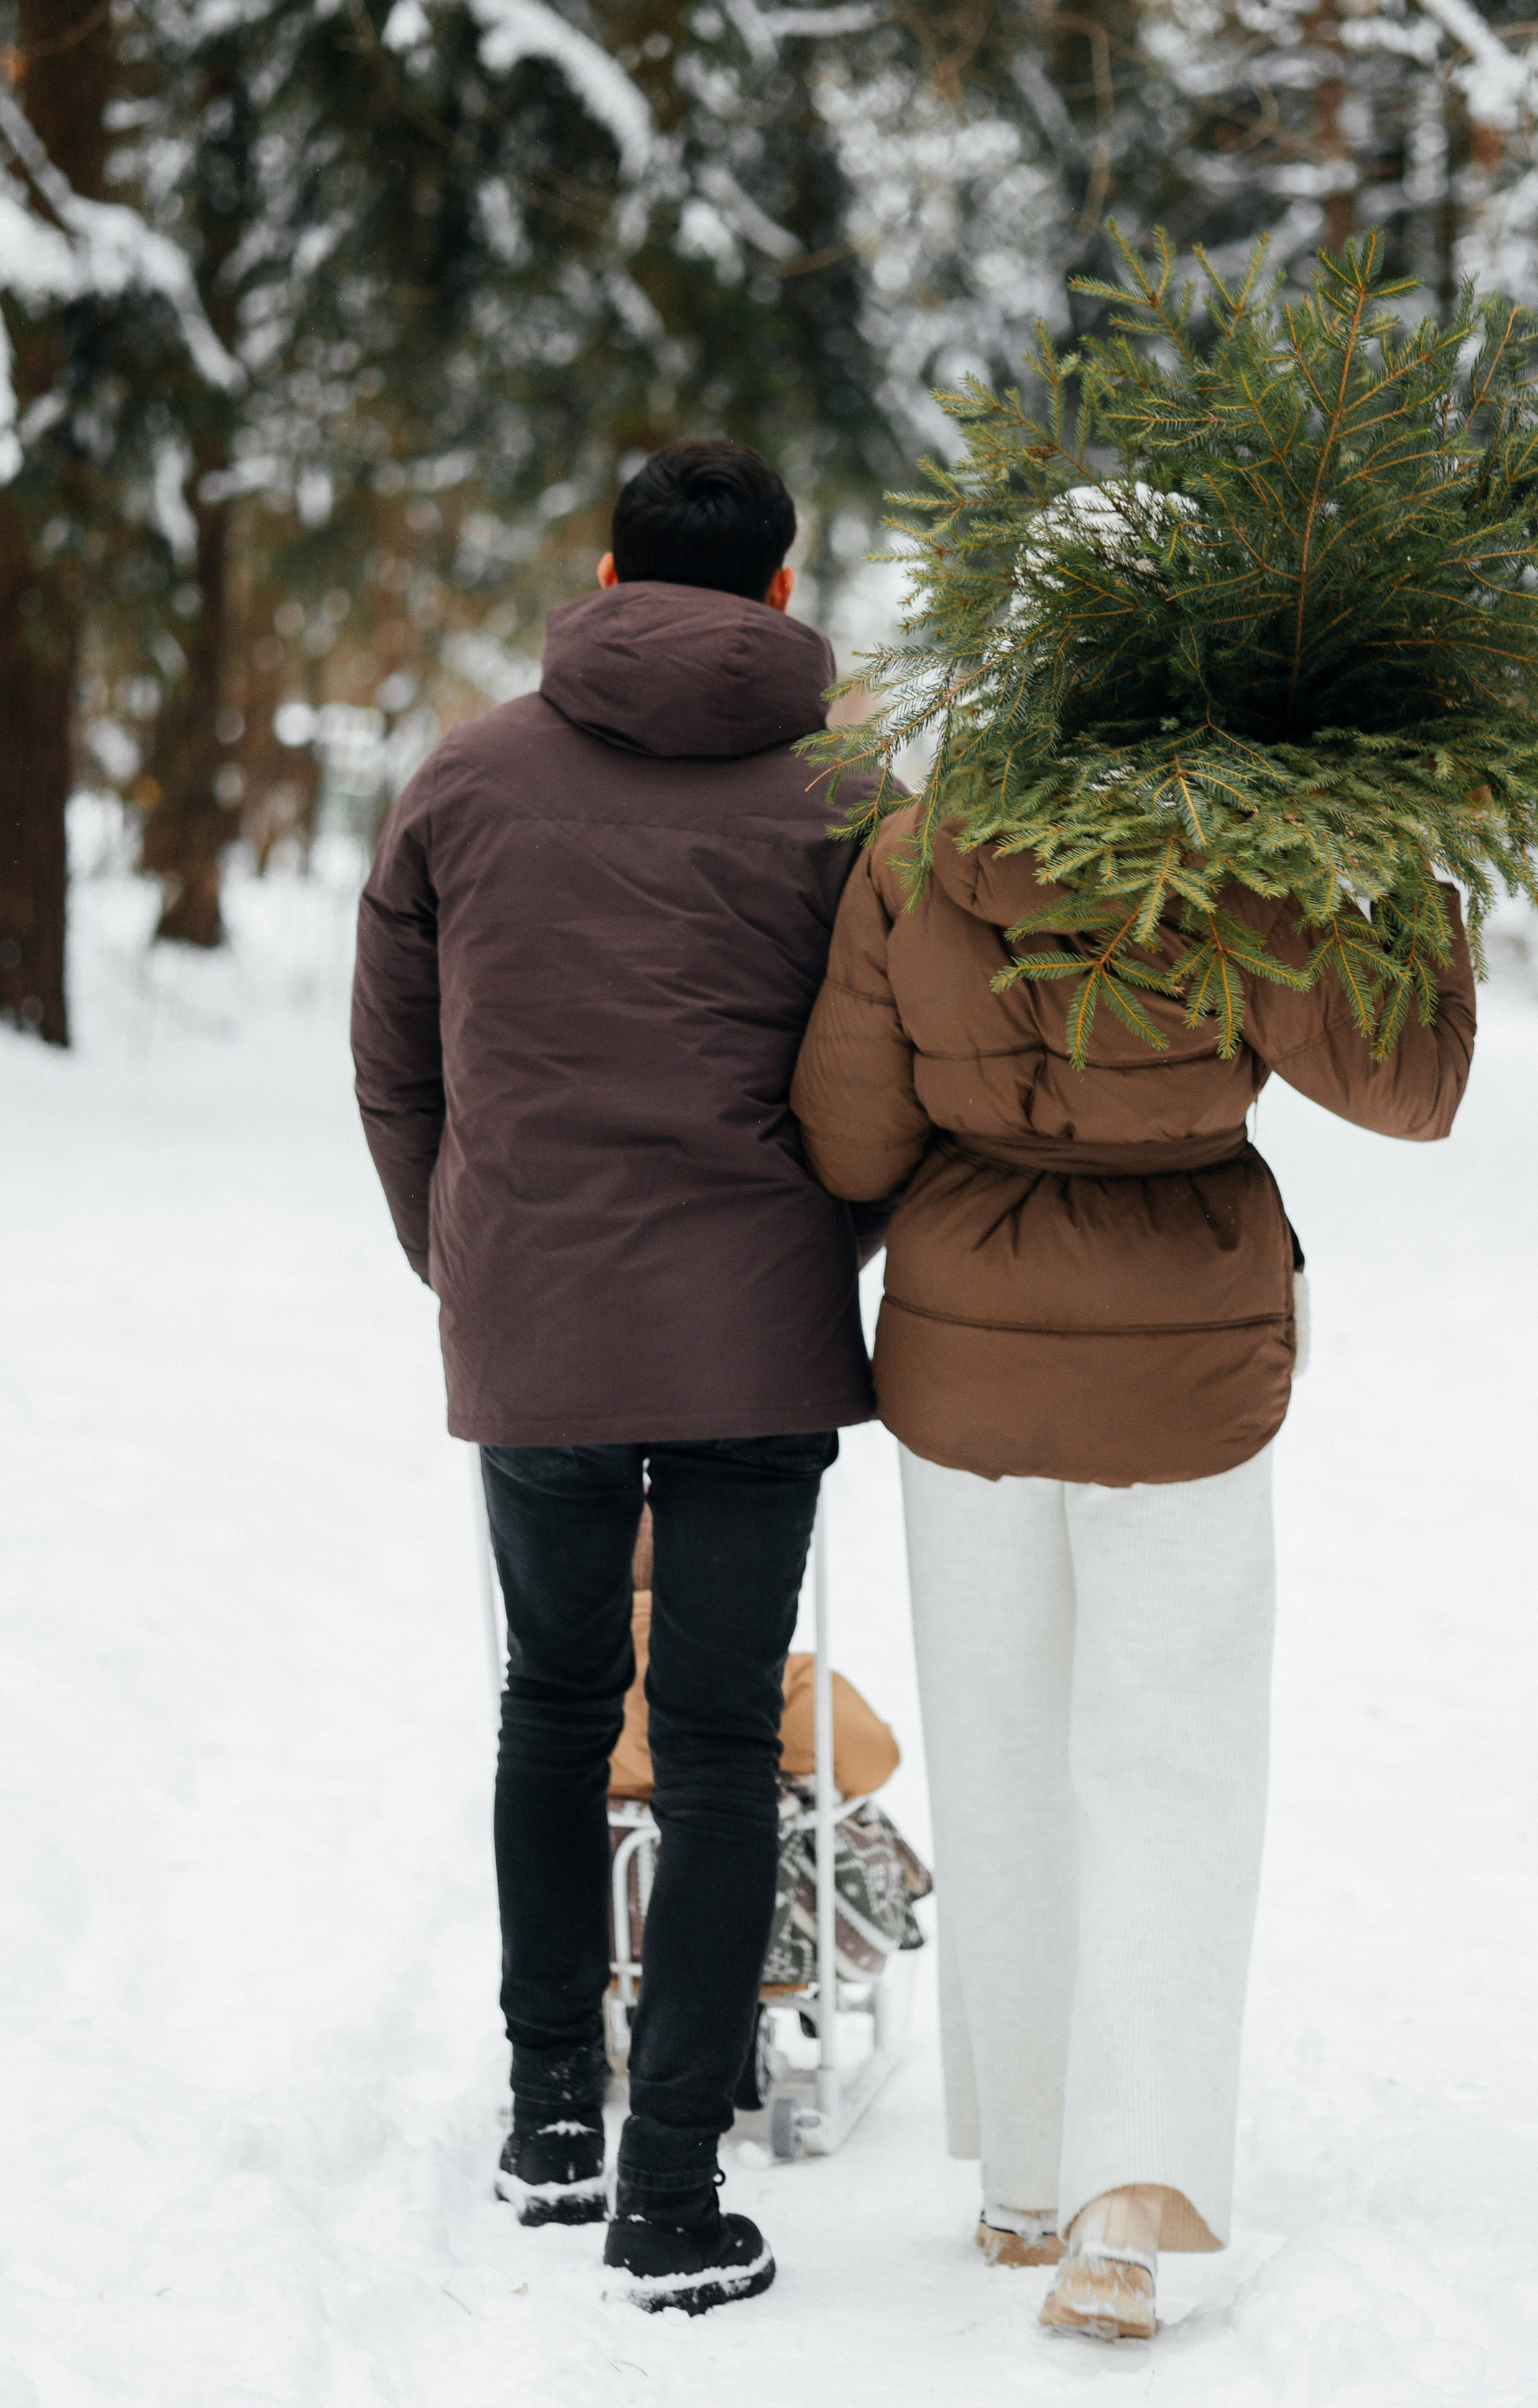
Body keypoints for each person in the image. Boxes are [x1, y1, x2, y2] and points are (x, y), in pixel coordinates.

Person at [791, 822, 1475, 2339]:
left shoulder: (916, 844)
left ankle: (1024, 2181)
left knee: (998, 1751)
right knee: (1171, 1769)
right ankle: (1122, 2207)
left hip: (964, 1350)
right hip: (1187, 1357)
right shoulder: (1240, 844)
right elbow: (1405, 1086)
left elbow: (846, 1143)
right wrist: (1415, 859)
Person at [351, 438, 882, 2315]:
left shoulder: (469, 777)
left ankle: (553, 2118)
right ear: (785, 596)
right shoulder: (847, 796)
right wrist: (826, 1250)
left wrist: (468, 1259)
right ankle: (674, 2189)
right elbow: (885, 1077)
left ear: (602, 569)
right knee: (726, 1736)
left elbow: (397, 1060)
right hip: (757, 1328)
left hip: (540, 1324)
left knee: (556, 1704)